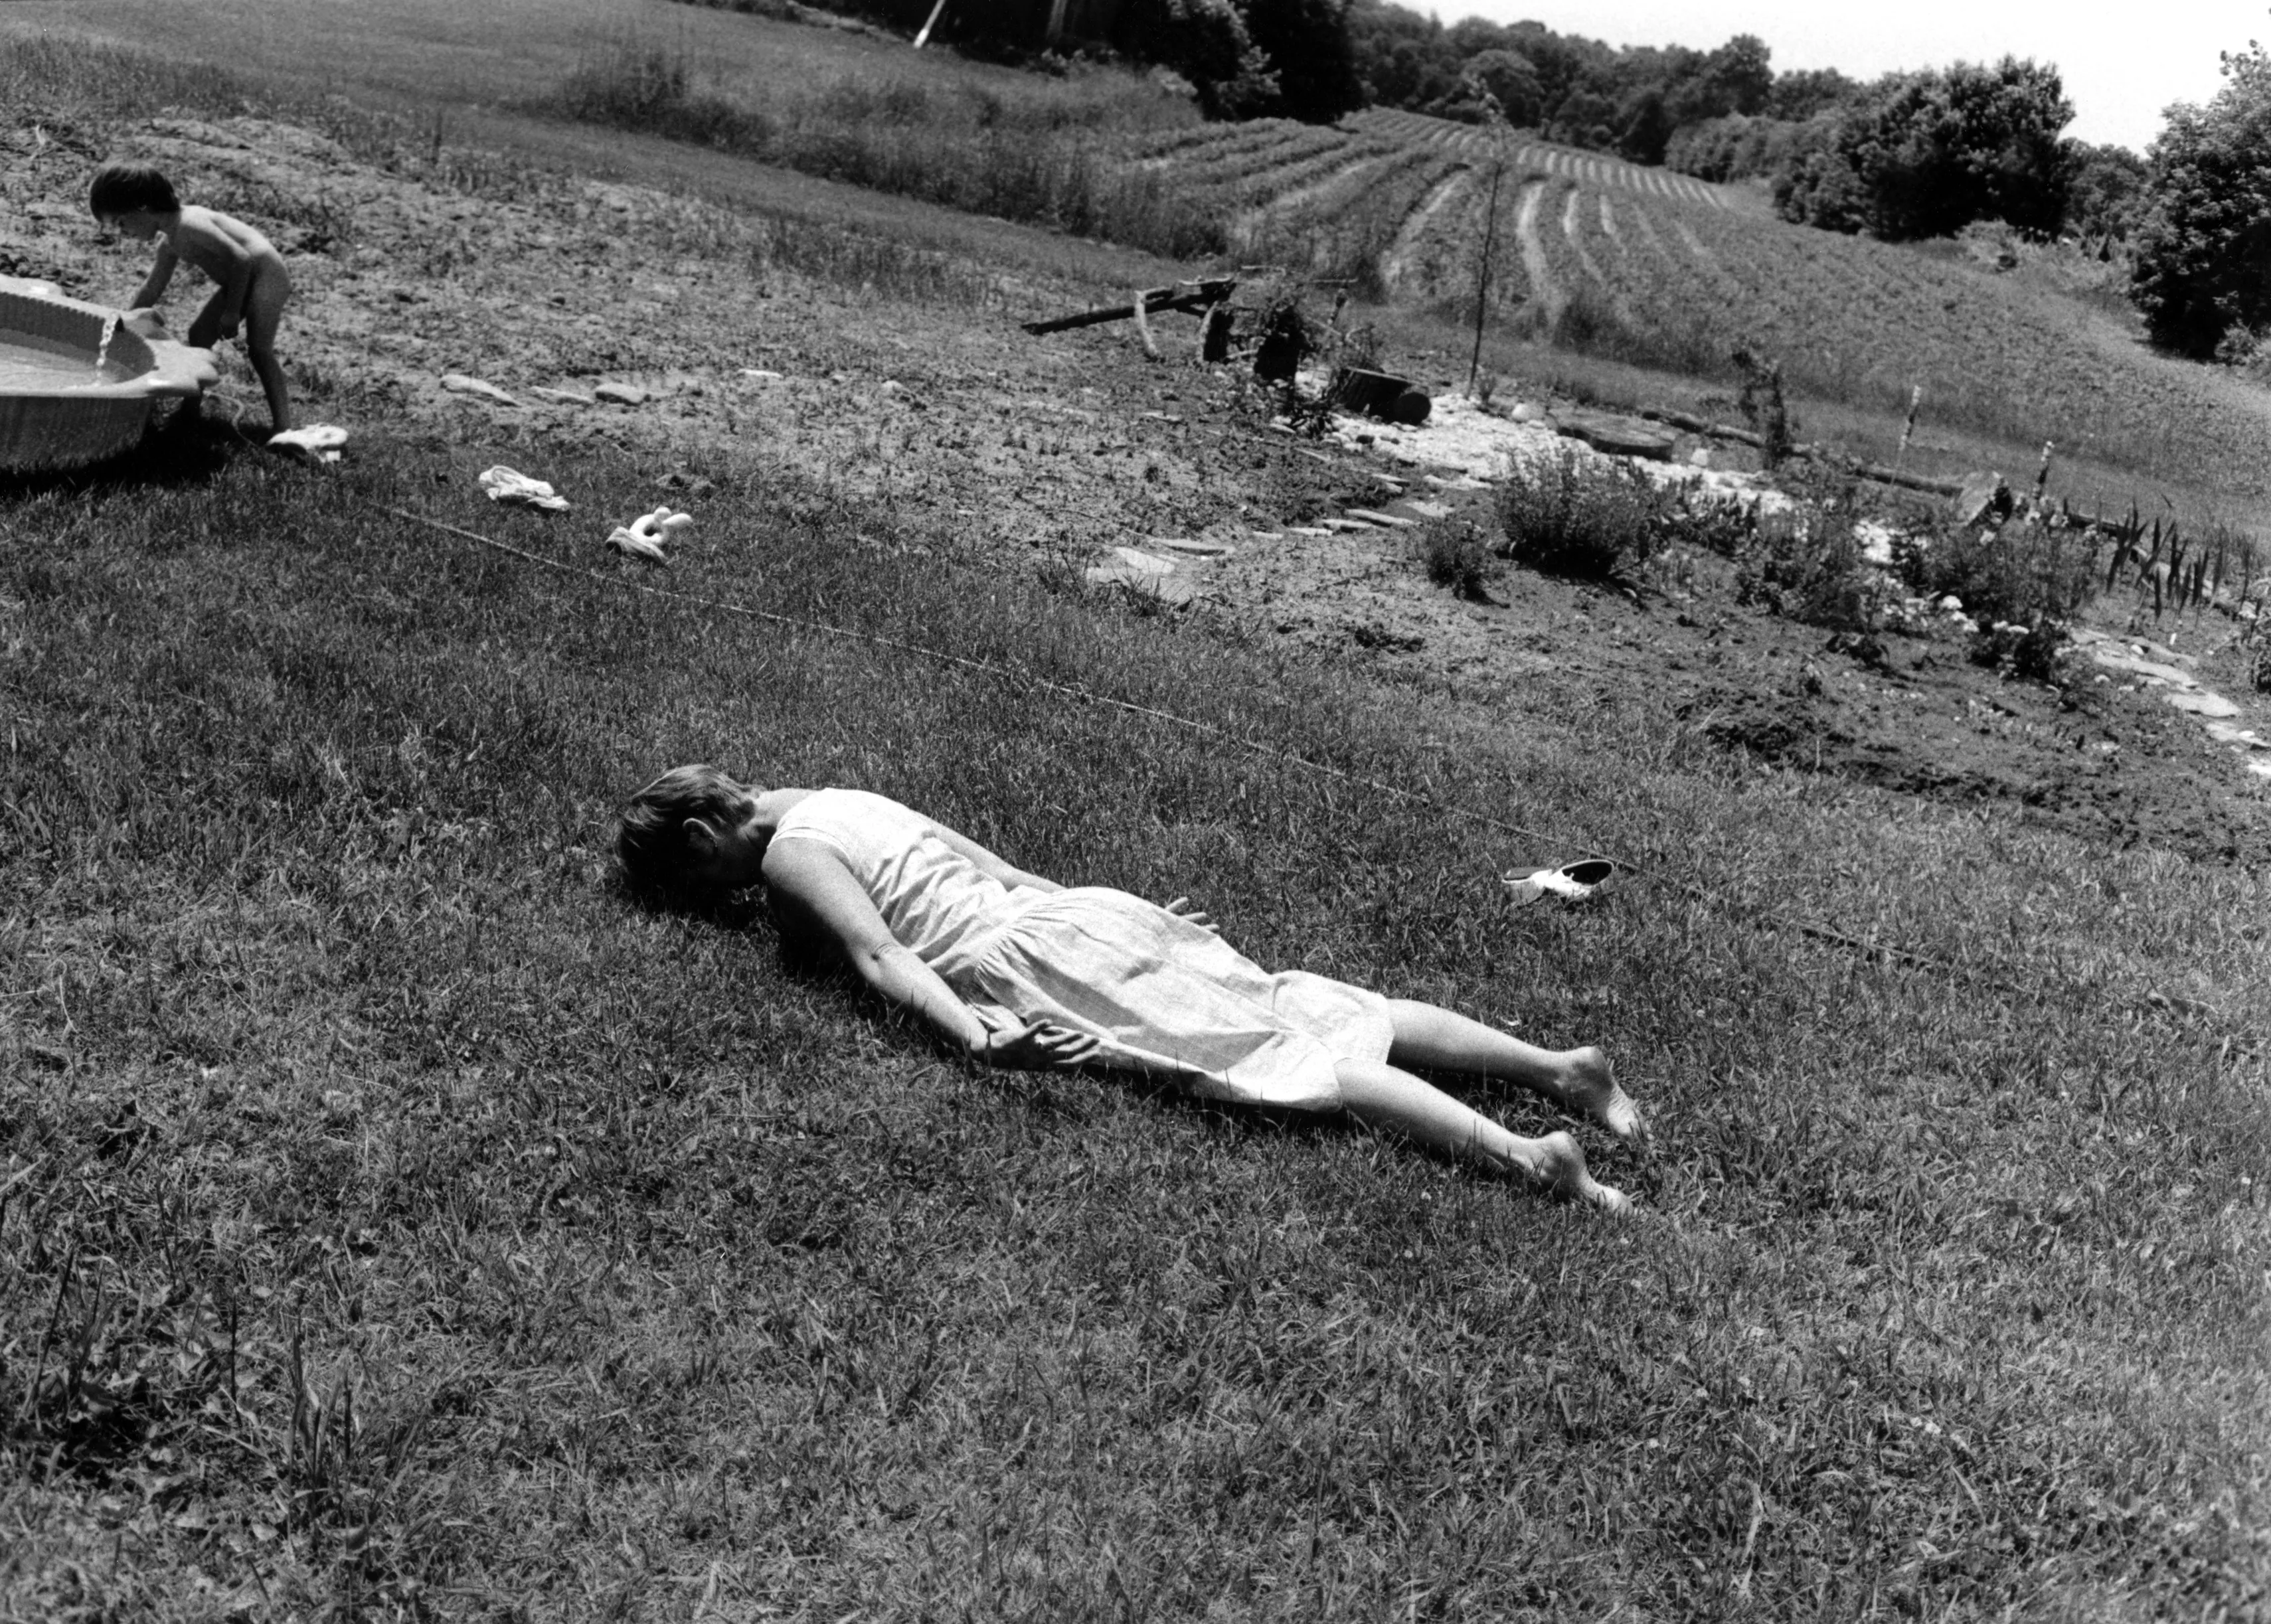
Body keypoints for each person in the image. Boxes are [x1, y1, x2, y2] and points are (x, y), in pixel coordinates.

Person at [617, 766, 1649, 1212]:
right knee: (1313, 999)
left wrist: (977, 1036)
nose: (710, 907)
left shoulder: (795, 854)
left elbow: (883, 958)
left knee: (1294, 1061)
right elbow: (1007, 869)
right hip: (1078, 914)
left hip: (1030, 960)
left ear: (706, 838)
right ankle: (1560, 1067)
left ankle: (1531, 1158)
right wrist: (1143, 923)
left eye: (691, 886)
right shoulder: (836, 796)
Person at [89, 162, 294, 438]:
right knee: (198, 334)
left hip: (266, 277)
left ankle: (284, 426)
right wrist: (127, 319)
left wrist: (232, 313)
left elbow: (243, 260)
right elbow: (151, 289)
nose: (124, 233)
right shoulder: (170, 242)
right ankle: (190, 410)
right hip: (240, 281)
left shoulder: (191, 224)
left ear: (141, 207)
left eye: (122, 223)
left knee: (259, 349)